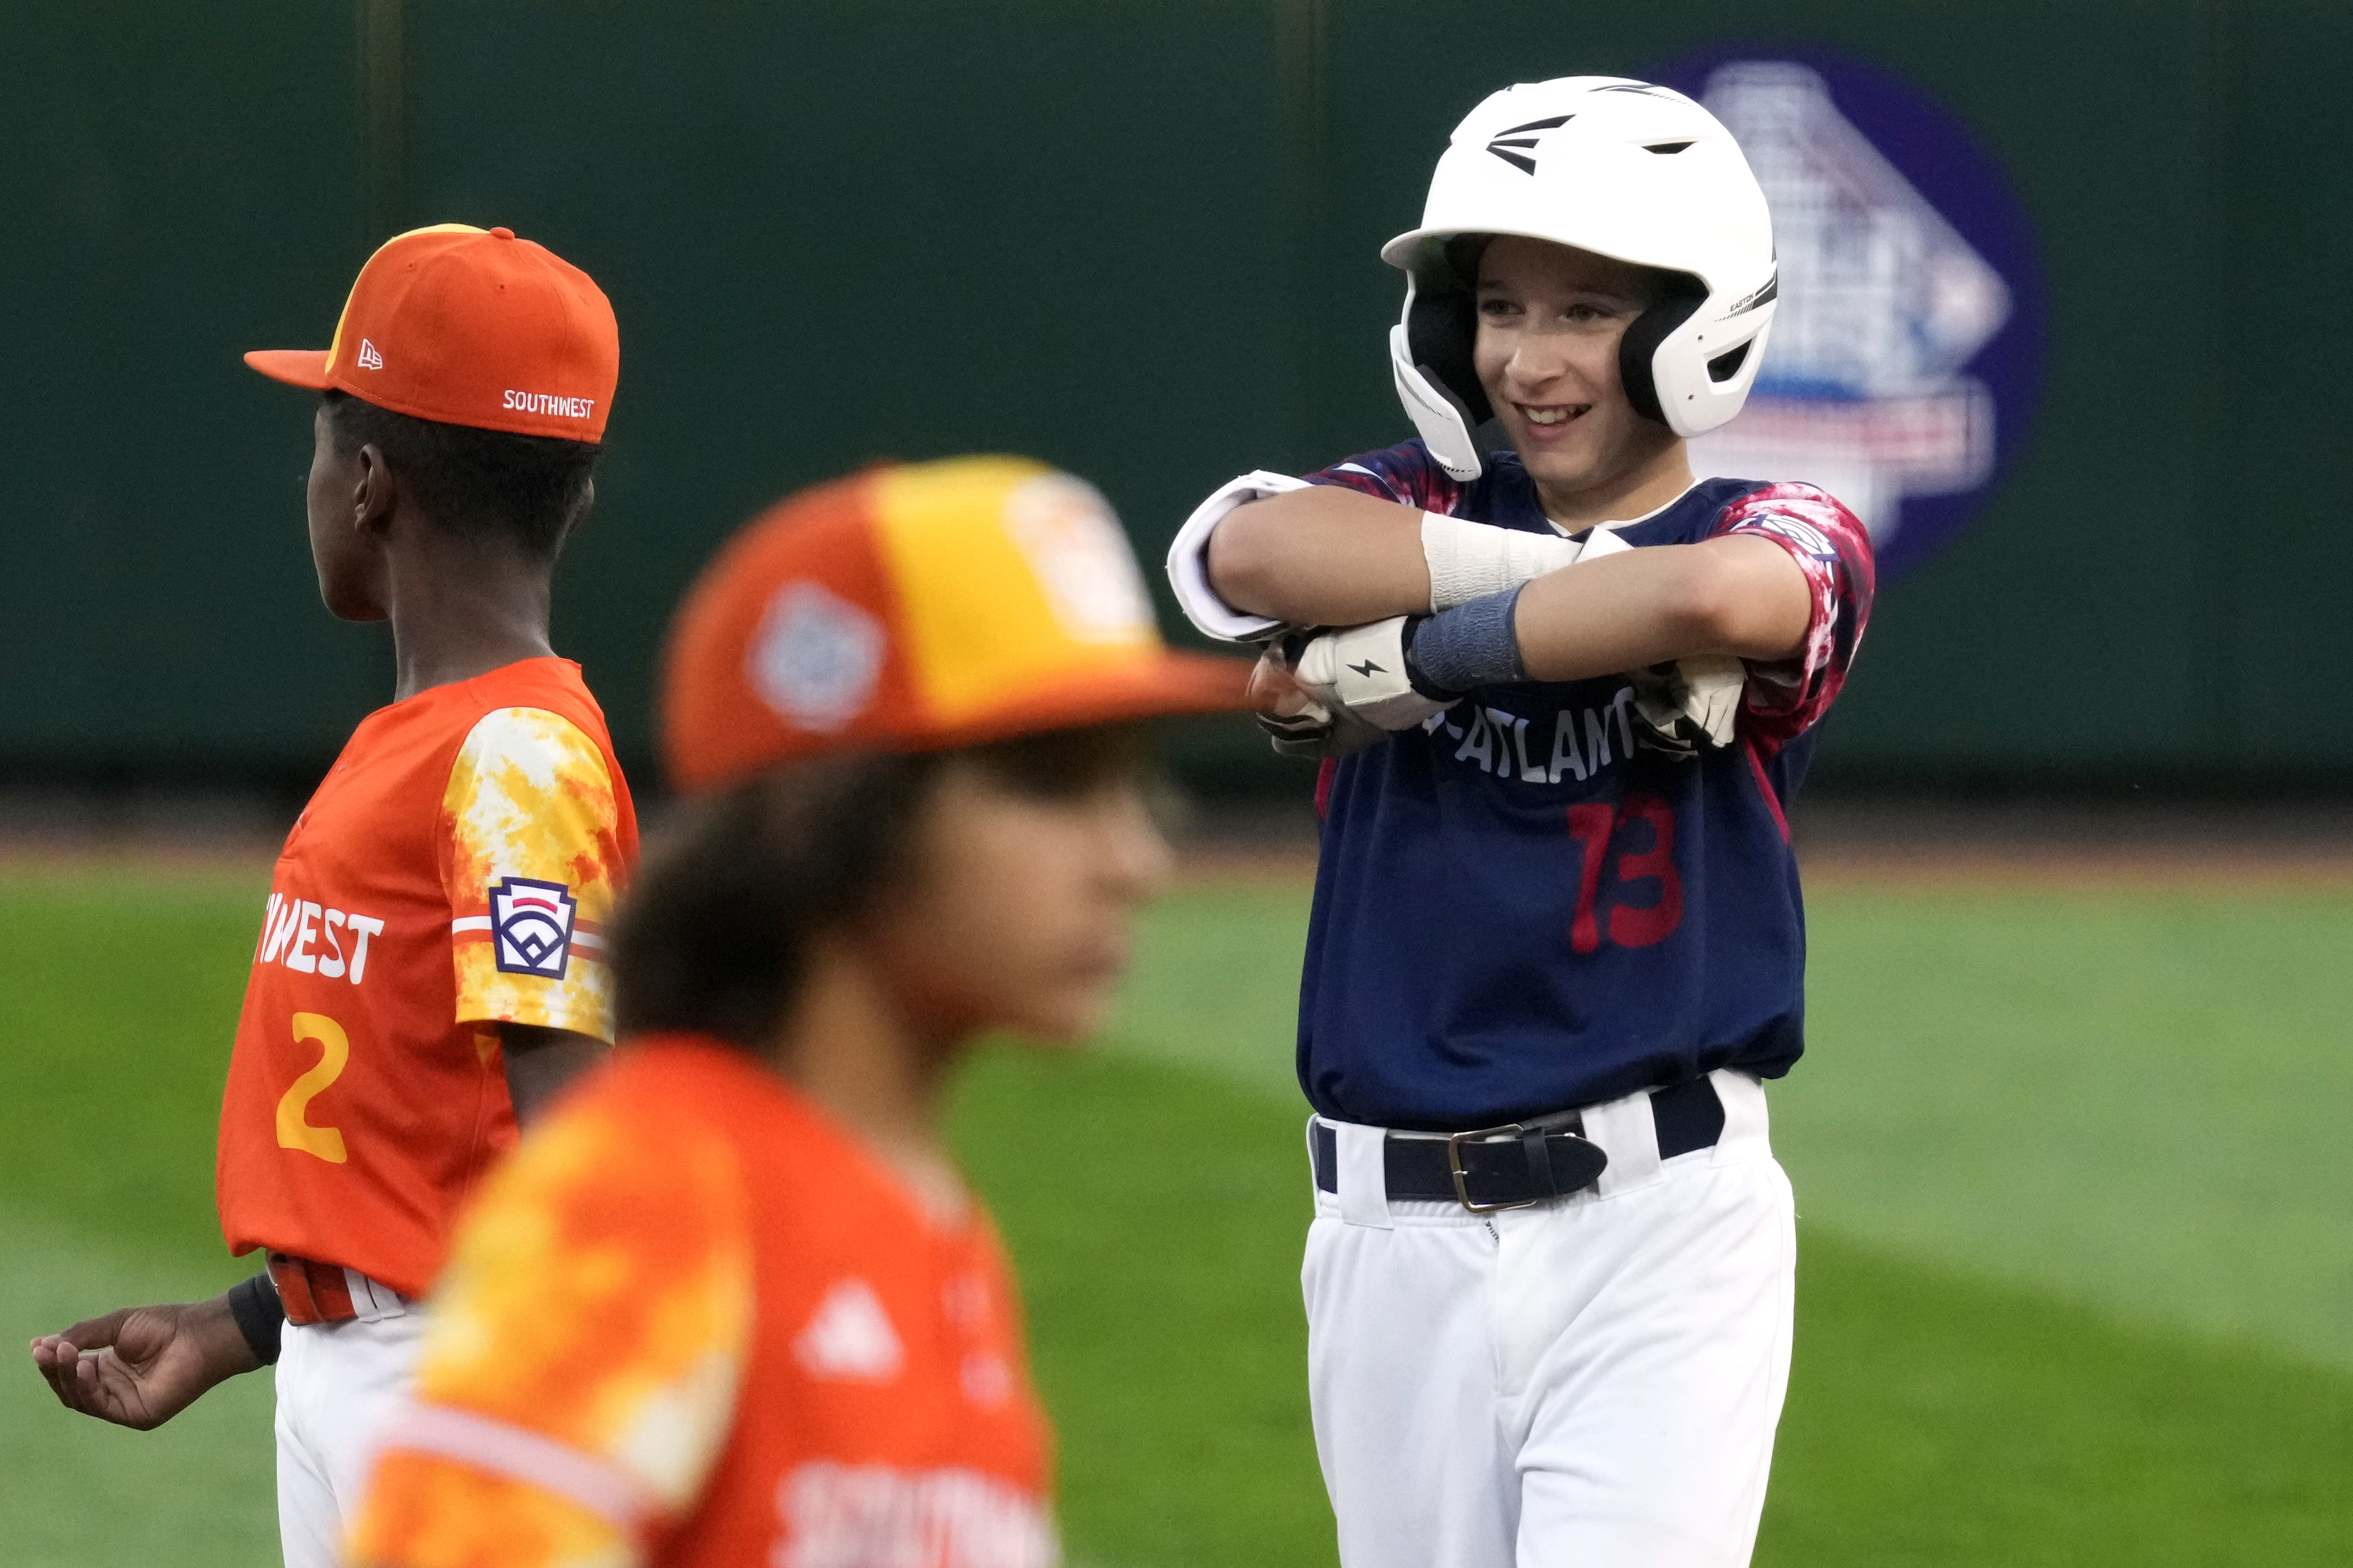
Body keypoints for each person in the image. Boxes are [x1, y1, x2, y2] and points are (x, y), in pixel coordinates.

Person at [1164, 77, 1876, 1567]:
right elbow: (1241, 546)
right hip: (1386, 1233)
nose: (1528, 359)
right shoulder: (1398, 495)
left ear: (1690, 322)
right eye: (1498, 308)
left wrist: (1411, 656)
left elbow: (1708, 599)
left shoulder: (1777, 520)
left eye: (1582, 312)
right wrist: (1559, 595)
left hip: (1657, 1215)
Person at [340, 455, 1250, 1567]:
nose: (1134, 861)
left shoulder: (933, 1225)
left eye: (1131, 784)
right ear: (836, 814)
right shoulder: (655, 1194)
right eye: (1048, 786)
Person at [28, 223, 636, 1568]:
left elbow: (583, 1142)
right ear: (575, 500)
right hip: (355, 1359)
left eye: (316, 438)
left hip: (462, 1399)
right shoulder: (443, 741)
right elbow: (438, 1147)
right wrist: (243, 1325)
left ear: (367, 482)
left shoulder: (514, 758)